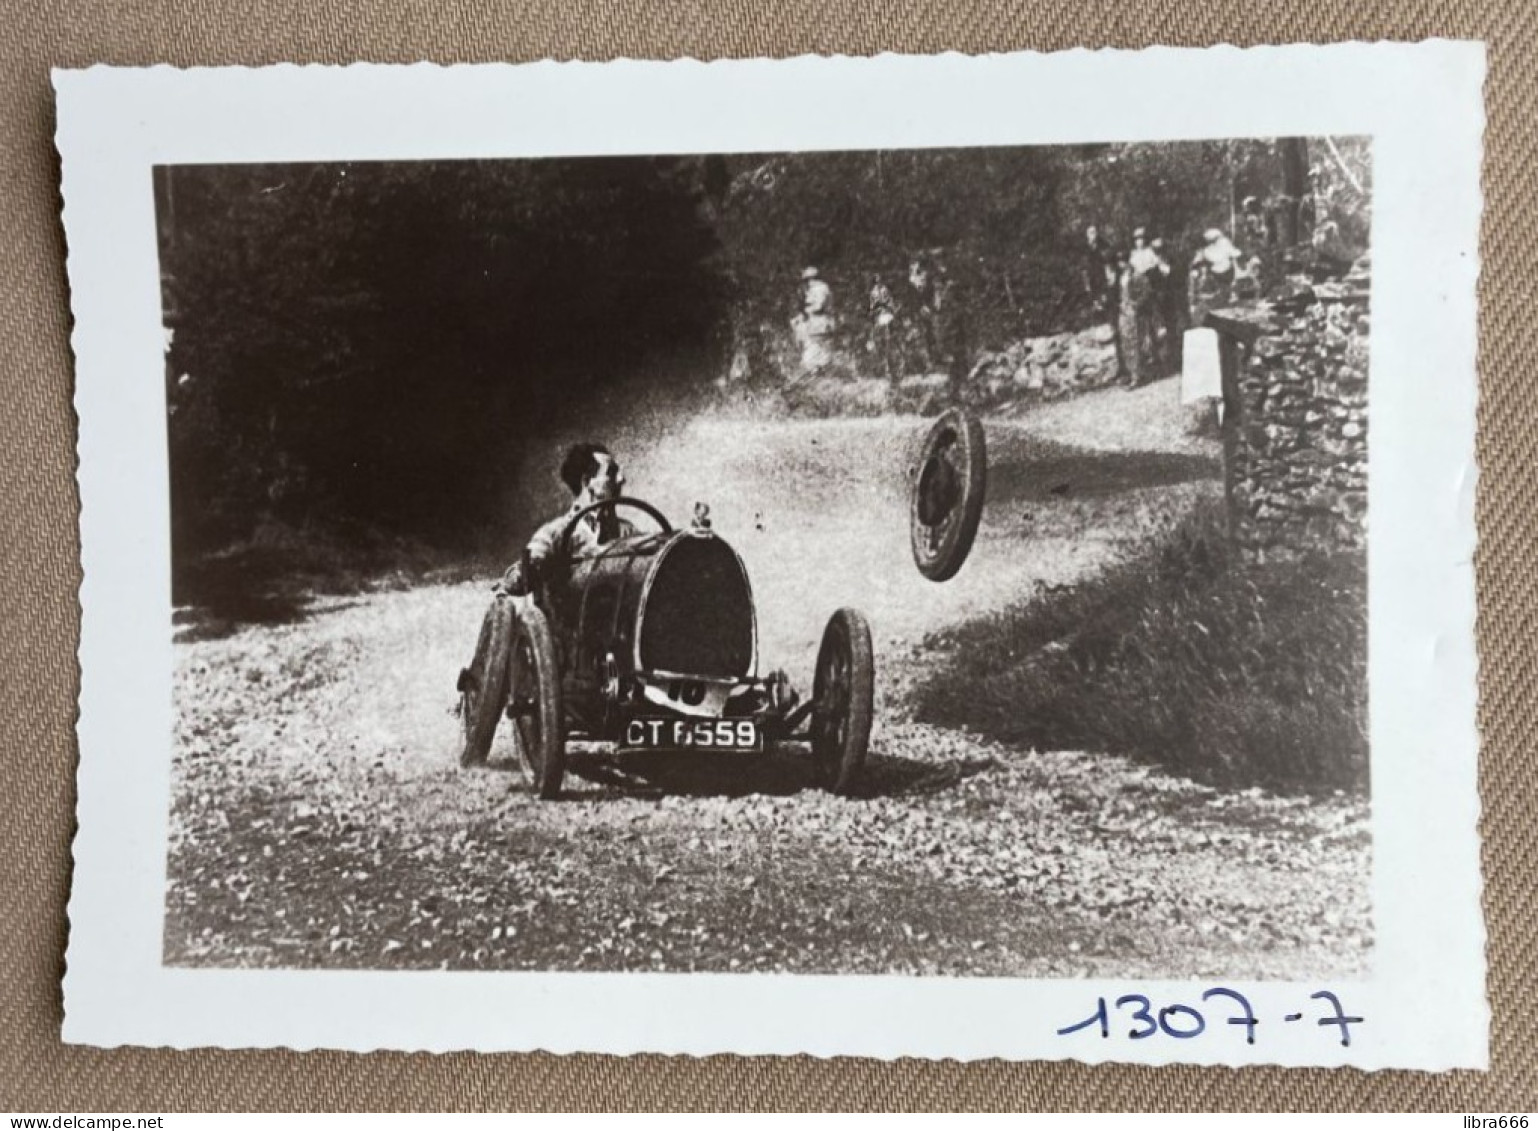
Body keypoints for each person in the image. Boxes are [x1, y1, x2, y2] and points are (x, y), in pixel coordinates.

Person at [504, 442, 630, 595]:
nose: (621, 479)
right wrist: (527, 571)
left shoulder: (628, 531)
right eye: (611, 473)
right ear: (587, 481)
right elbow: (518, 577)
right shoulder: (555, 533)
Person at [1082, 224, 1126, 380]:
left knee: (1119, 328)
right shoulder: (1087, 253)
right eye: (1090, 232)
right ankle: (1122, 365)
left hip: (1111, 292)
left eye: (1095, 231)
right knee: (1113, 329)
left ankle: (1125, 365)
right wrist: (1095, 298)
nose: (1093, 235)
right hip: (1101, 294)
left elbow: (1111, 270)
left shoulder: (1104, 249)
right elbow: (1088, 276)